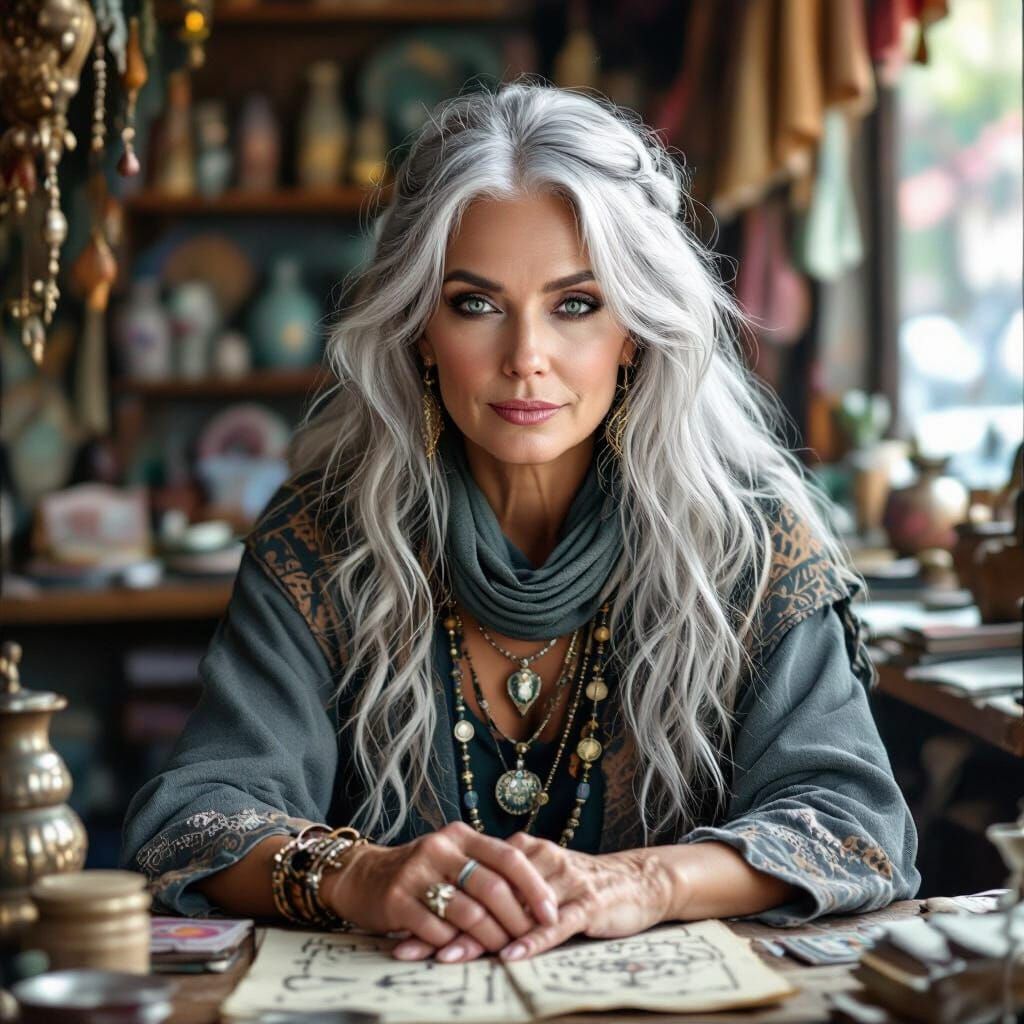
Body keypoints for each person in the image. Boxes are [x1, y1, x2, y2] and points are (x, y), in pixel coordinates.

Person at [121, 78, 920, 965]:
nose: (525, 359)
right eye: (476, 304)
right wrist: (359, 876)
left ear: (637, 331)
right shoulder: (321, 541)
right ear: (420, 325)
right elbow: (187, 826)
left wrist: (645, 882)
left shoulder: (753, 540)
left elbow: (854, 829)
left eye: (575, 305)